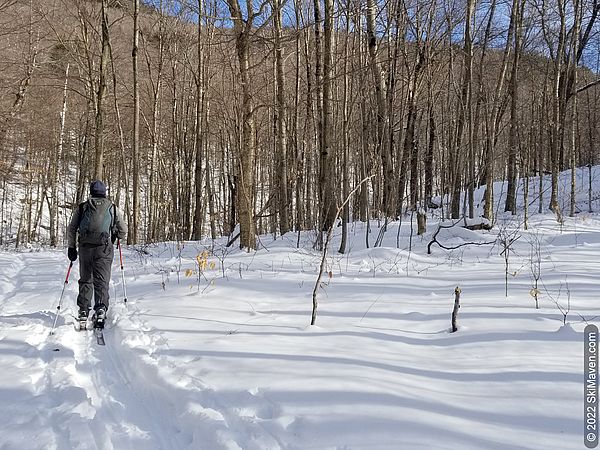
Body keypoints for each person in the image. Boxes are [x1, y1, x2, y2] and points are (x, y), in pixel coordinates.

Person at [67, 180, 127, 328]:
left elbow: (71, 229)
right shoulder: (112, 208)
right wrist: (116, 236)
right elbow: (123, 230)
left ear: (91, 192)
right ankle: (100, 310)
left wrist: (71, 247)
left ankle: (83, 310)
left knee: (86, 278)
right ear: (104, 192)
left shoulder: (82, 207)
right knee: (101, 279)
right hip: (104, 248)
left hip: (85, 247)